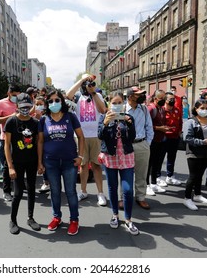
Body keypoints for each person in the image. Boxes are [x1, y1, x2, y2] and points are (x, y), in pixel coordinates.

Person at [37, 90, 85, 236]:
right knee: (55, 192)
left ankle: (74, 220)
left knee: (70, 192)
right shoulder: (43, 120)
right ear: (47, 104)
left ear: (62, 102)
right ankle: (56, 217)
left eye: (57, 100)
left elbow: (81, 137)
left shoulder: (70, 117)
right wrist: (40, 162)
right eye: (50, 101)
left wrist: (80, 157)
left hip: (69, 162)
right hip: (50, 162)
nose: (54, 103)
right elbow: (40, 141)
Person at [98, 91, 139, 235]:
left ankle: (128, 219)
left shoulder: (129, 117)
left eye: (119, 103)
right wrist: (105, 123)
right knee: (112, 187)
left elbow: (133, 137)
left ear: (123, 104)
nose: (116, 106)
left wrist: (130, 124)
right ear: (109, 103)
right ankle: (115, 215)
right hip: (111, 157)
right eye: (113, 103)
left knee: (128, 190)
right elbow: (100, 136)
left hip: (126, 157)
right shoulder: (104, 117)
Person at [66, 74, 107, 206]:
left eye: (91, 83)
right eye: (87, 83)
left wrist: (94, 93)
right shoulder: (77, 96)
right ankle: (83, 191)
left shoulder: (98, 95)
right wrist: (81, 80)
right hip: (80, 136)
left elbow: (103, 110)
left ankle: (100, 193)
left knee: (96, 165)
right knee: (83, 166)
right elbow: (67, 94)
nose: (89, 85)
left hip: (95, 136)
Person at [5, 93, 40, 234]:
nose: (25, 108)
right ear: (17, 106)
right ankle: (13, 220)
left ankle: (30, 218)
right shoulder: (11, 122)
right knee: (18, 192)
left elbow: (38, 143)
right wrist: (10, 167)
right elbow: (7, 145)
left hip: (31, 161)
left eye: (28, 106)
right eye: (22, 106)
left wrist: (40, 163)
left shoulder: (35, 123)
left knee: (31, 189)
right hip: (17, 163)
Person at [182, 99, 207, 210]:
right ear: (196, 109)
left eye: (206, 108)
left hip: (206, 152)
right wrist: (202, 142)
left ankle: (197, 195)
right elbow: (187, 138)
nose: (204, 110)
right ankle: (187, 198)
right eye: (202, 108)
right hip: (194, 152)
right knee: (193, 176)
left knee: (200, 175)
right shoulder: (190, 122)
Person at [124, 87, 154, 209]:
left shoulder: (144, 109)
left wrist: (147, 143)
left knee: (142, 174)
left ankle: (141, 197)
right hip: (126, 145)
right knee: (125, 173)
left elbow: (149, 127)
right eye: (138, 95)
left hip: (142, 144)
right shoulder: (122, 109)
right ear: (130, 96)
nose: (142, 97)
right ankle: (124, 197)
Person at [0, 85, 22, 201]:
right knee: (6, 166)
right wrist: (11, 117)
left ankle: (19, 188)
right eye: (14, 95)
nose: (16, 98)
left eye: (18, 95)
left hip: (20, 138)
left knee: (19, 165)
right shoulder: (0, 103)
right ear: (8, 93)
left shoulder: (22, 102)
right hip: (5, 139)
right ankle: (7, 191)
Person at [159, 92, 183, 186]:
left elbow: (180, 121)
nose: (173, 101)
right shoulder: (161, 110)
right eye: (171, 99)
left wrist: (179, 131)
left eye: (174, 99)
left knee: (172, 158)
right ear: (165, 100)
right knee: (160, 158)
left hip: (175, 137)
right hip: (164, 137)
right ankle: (158, 176)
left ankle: (170, 176)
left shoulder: (177, 110)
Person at [147, 90, 168, 192]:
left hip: (160, 140)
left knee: (156, 162)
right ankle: (146, 185)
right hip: (152, 140)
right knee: (149, 163)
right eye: (161, 98)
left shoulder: (161, 109)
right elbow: (147, 125)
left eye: (164, 98)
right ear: (155, 99)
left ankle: (154, 183)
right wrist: (159, 128)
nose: (163, 100)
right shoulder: (151, 109)